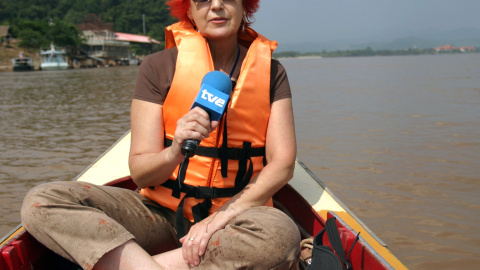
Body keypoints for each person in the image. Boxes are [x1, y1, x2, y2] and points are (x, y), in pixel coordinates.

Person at [21, 0, 299, 269]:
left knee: (280, 237)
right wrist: (175, 149)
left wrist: (220, 218)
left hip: (238, 217)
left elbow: (283, 164)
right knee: (41, 201)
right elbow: (141, 174)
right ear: (188, 9)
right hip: (160, 214)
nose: (216, 5)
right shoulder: (157, 67)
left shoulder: (272, 73)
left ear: (243, 6)